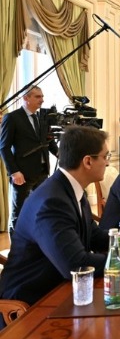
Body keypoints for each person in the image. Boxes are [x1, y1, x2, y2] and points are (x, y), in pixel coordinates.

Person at [0, 126, 120, 312]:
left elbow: (94, 235)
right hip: (30, 303)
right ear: (88, 161)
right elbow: (76, 265)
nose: (108, 163)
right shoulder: (52, 201)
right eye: (105, 156)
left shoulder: (70, 188)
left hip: (62, 289)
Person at [0, 86, 59, 233]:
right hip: (22, 173)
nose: (42, 100)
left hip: (42, 172)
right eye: (38, 97)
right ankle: (16, 246)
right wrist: (14, 172)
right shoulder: (12, 118)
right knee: (19, 213)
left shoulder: (42, 117)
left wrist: (60, 154)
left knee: (41, 209)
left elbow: (49, 142)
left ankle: (36, 242)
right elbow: (4, 147)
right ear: (26, 98)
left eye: (42, 96)